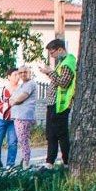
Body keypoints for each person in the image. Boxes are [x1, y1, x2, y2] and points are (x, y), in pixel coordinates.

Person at [39, 38, 76, 167]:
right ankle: (50, 161)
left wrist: (50, 72)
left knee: (61, 134)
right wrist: (49, 73)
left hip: (60, 104)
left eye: (52, 53)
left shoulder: (68, 62)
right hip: (53, 103)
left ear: (60, 49)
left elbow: (64, 83)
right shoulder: (62, 63)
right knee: (51, 134)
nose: (52, 56)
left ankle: (66, 161)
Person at [10, 65, 39, 168]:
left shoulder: (30, 84)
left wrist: (14, 101)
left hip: (24, 116)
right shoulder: (22, 85)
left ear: (29, 72)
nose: (22, 74)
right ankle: (24, 160)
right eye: (20, 72)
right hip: (19, 116)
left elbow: (20, 98)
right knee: (22, 140)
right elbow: (12, 98)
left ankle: (26, 163)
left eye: (25, 72)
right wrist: (13, 100)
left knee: (23, 140)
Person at [0, 69, 20, 167]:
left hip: (14, 121)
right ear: (9, 77)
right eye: (15, 74)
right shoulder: (2, 90)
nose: (18, 76)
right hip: (1, 120)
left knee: (12, 142)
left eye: (18, 74)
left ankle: (10, 164)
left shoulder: (21, 89)